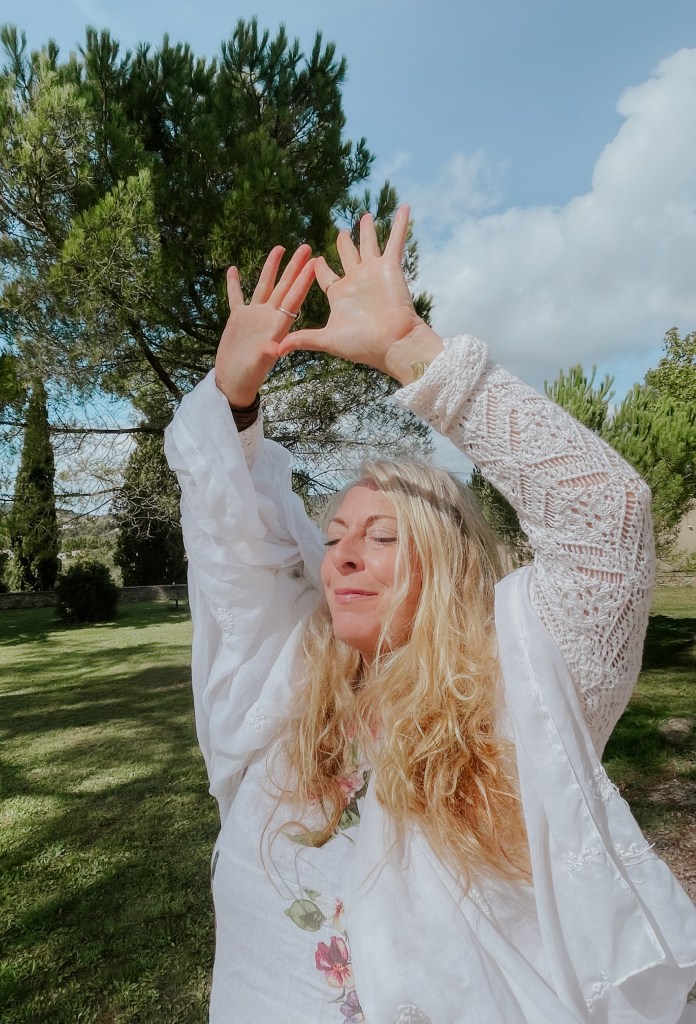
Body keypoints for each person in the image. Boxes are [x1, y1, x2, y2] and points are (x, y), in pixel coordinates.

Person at [164, 207, 696, 1024]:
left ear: (445, 567)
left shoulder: (516, 698)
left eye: (382, 537)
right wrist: (233, 401)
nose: (342, 556)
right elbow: (234, 546)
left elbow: (607, 516)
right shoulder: (288, 685)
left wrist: (409, 348)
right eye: (334, 536)